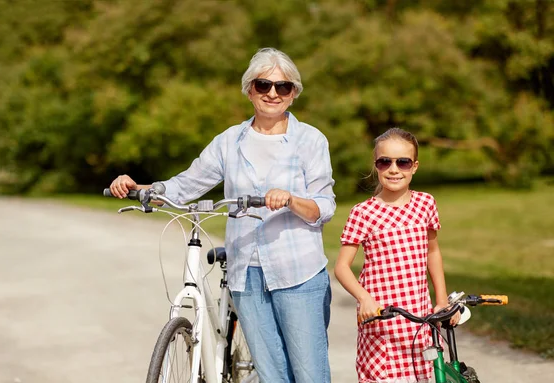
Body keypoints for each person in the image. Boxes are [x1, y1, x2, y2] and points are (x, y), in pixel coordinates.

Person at [109, 47, 336, 383]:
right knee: (272, 376)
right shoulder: (229, 142)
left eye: (282, 87)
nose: (273, 93)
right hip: (247, 274)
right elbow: (185, 185)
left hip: (298, 273)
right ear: (249, 89)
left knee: (309, 375)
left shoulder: (310, 141)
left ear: (293, 94)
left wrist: (290, 199)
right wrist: (139, 187)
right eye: (263, 85)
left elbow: (325, 207)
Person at [334, 127, 459, 383]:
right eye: (385, 162)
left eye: (402, 162)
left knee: (429, 375)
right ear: (376, 166)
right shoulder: (362, 213)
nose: (394, 169)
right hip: (382, 319)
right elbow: (342, 268)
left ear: (414, 166)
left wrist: (442, 299)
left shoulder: (426, 203)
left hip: (420, 318)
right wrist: (364, 298)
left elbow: (432, 253)